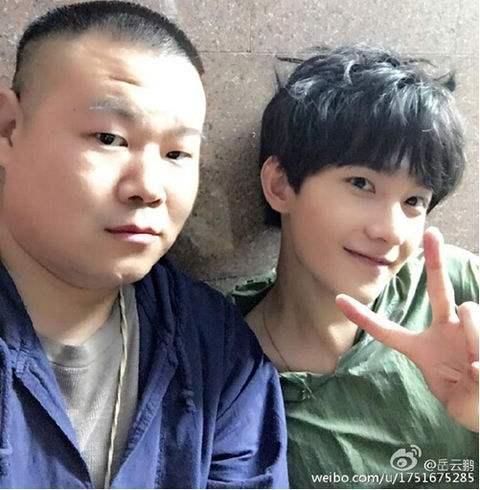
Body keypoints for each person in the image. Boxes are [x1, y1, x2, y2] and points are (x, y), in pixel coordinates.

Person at [0, 1, 288, 488]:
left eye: (177, 153)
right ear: (8, 129)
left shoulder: (215, 348)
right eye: (109, 138)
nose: (149, 187)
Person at [230, 46, 479, 488]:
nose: (392, 232)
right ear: (281, 184)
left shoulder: (461, 294)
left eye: (414, 201)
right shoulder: (219, 362)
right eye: (361, 183)